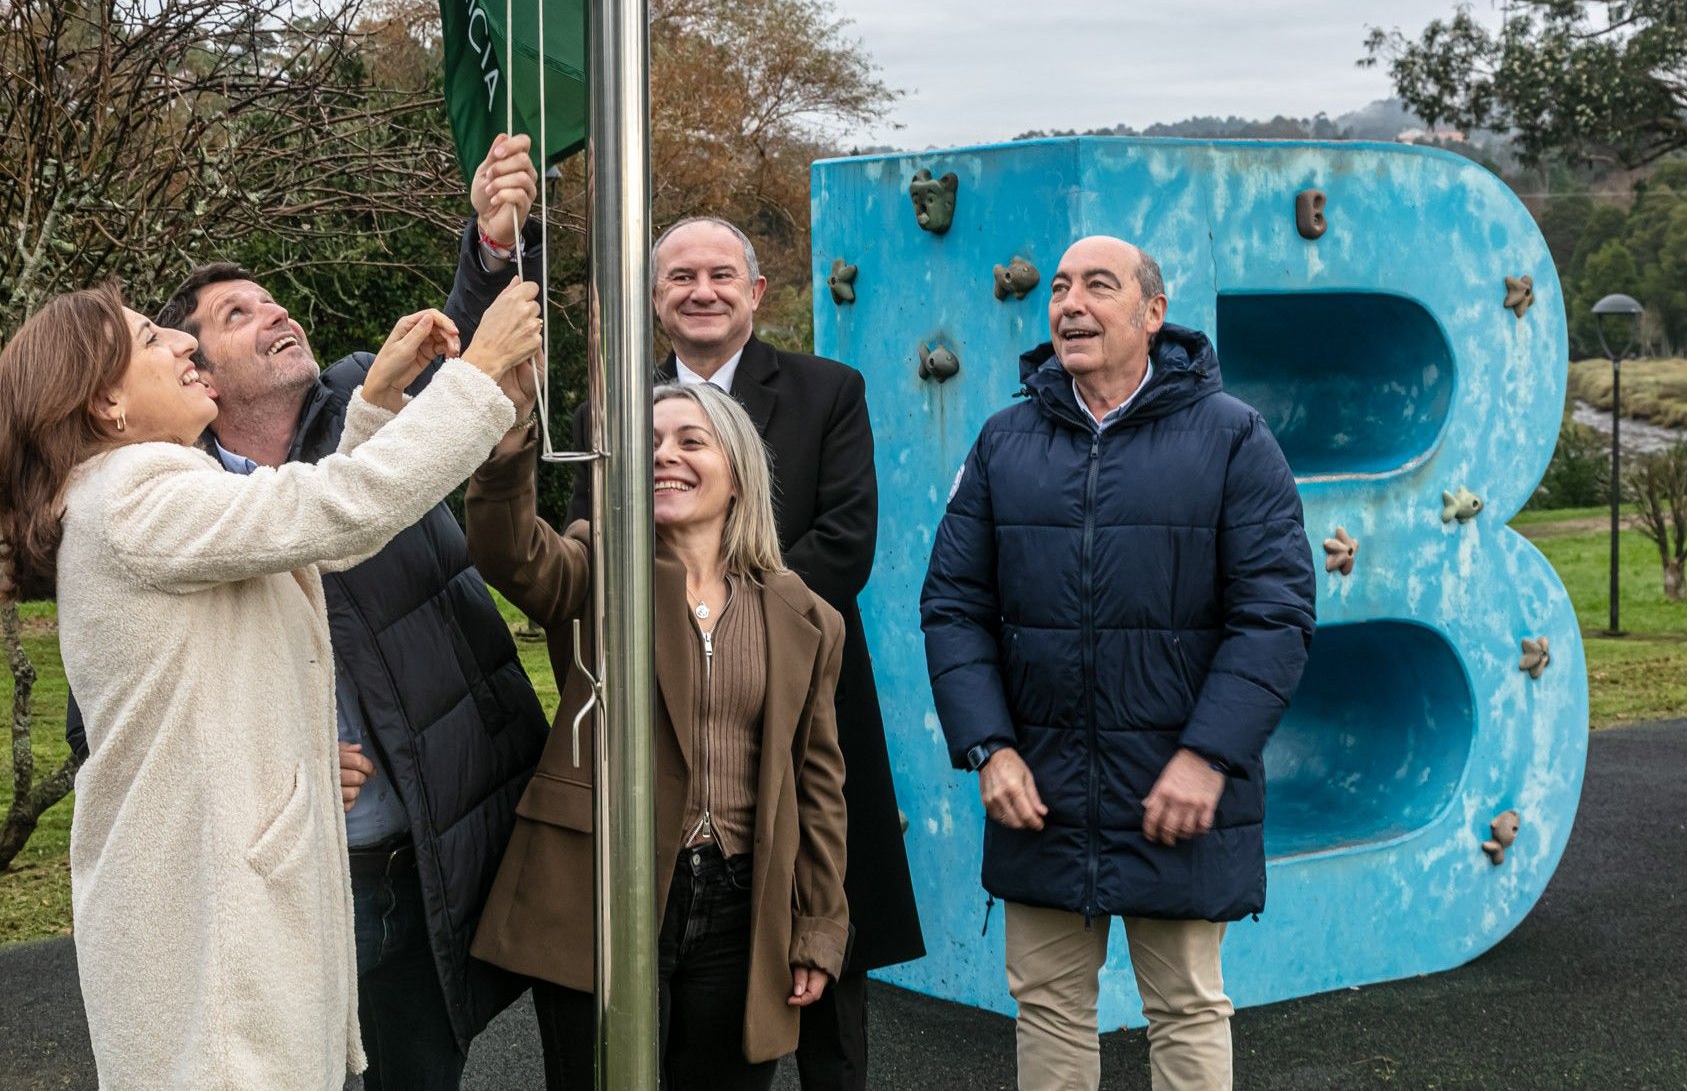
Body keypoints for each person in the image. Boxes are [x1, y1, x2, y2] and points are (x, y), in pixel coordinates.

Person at [62, 134, 551, 1091]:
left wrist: (491, 249)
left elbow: (350, 495)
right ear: (184, 378)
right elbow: (340, 505)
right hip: (273, 885)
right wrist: (273, 751)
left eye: (267, 299)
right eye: (224, 319)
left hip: (413, 858)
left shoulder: (341, 405)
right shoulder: (155, 494)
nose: (269, 314)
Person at [920, 235, 1315, 1091]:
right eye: (1060, 286)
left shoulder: (1233, 437)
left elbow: (1275, 615)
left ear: (1152, 313)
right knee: (1049, 1008)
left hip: (1176, 793)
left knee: (1185, 1008)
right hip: (1040, 791)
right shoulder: (1001, 441)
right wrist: (989, 747)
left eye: (1099, 285)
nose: (1070, 303)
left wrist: (1208, 754)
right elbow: (951, 607)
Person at [565, 217, 923, 1090]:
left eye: (721, 274)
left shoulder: (827, 390)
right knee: (668, 971)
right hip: (654, 709)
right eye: (679, 277)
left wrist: (730, 615)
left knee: (825, 946)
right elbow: (590, 546)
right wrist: (678, 628)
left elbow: (846, 541)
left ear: (755, 292)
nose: (701, 290)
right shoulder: (607, 409)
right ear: (654, 301)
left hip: (802, 687)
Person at [469, 381, 850, 1090]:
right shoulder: (594, 570)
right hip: (608, 891)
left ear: (736, 472)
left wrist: (820, 925)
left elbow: (819, 788)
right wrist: (512, 425)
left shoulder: (806, 616)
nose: (664, 456)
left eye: (689, 440)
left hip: (741, 908)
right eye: (645, 444)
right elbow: (508, 552)